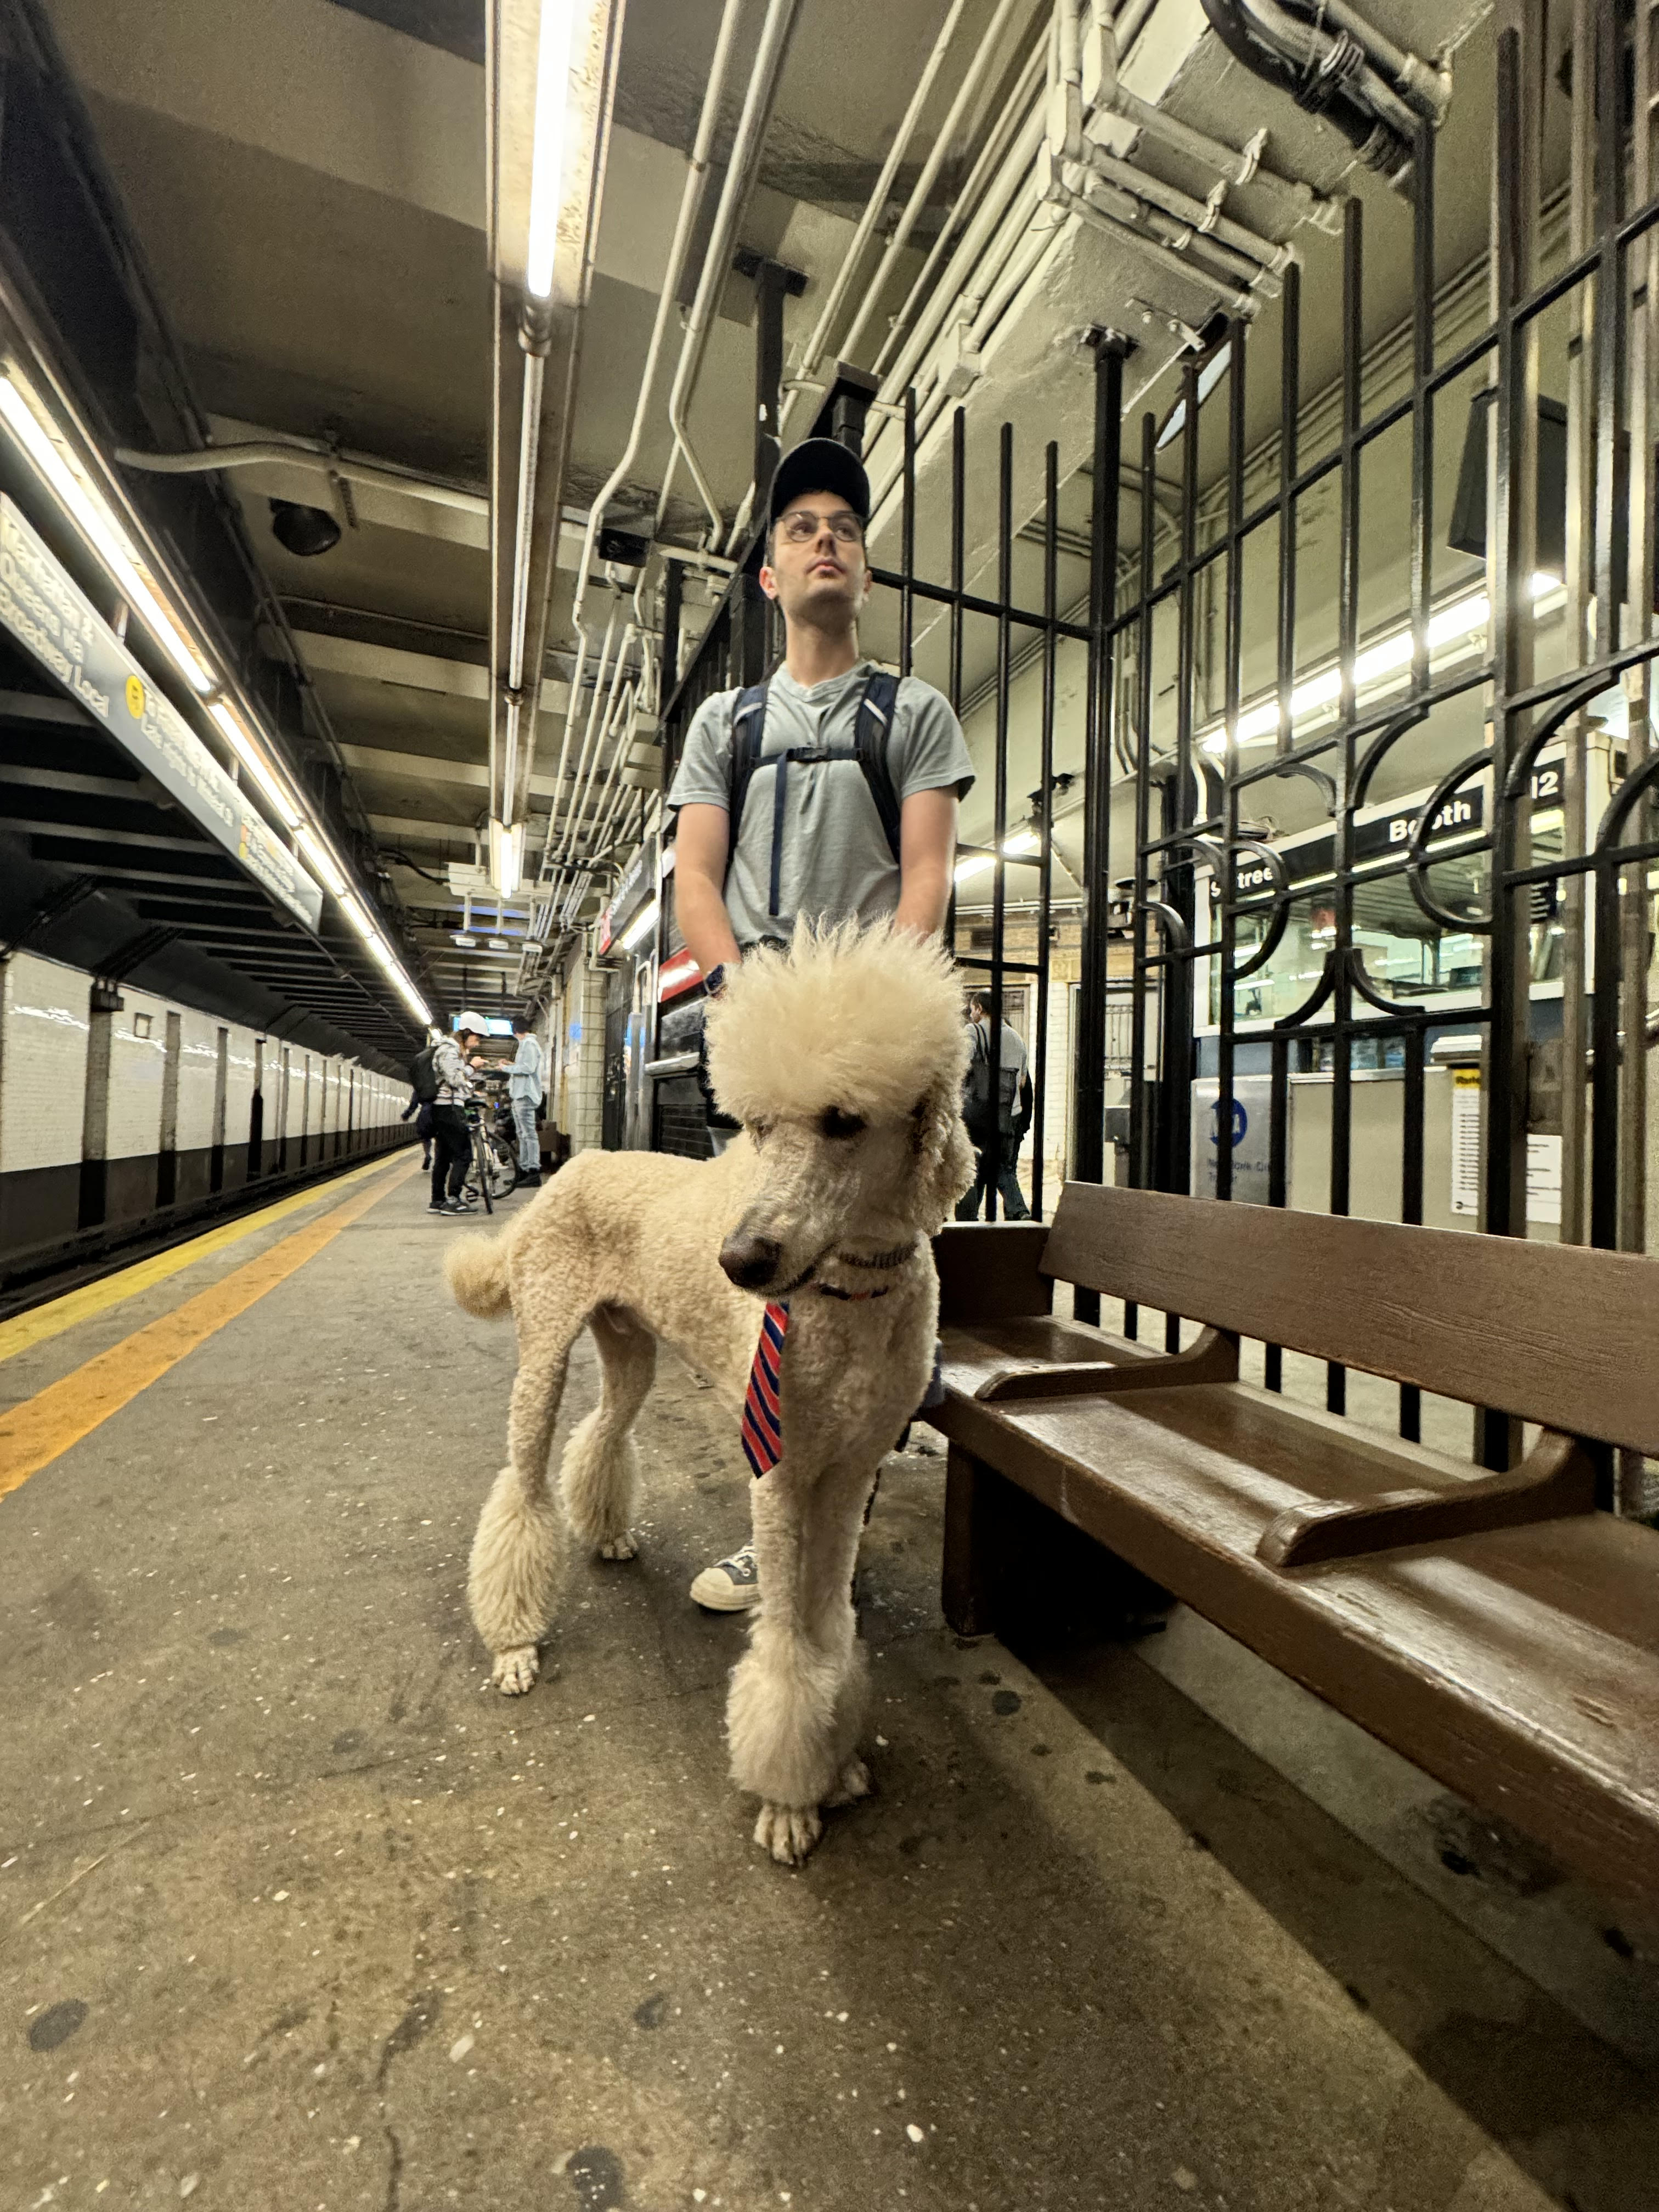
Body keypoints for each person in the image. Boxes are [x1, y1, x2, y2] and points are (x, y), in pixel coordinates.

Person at [667, 433, 974, 1609]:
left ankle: (896, 1413)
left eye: (843, 525)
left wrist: (879, 1013)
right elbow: (699, 880)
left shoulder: (915, 711)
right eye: (801, 528)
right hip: (764, 1039)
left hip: (872, 1035)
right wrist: (742, 998)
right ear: (771, 578)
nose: (825, 538)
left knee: (892, 1233)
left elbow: (927, 874)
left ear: (863, 567)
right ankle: (779, 1509)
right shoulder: (726, 727)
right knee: (776, 1259)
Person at [957, 989, 1033, 1222]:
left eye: (972, 1010)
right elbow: (1021, 1082)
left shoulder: (973, 1031)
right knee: (1004, 1168)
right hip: (1008, 1117)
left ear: (979, 1008)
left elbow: (959, 1067)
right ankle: (1017, 1211)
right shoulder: (1016, 1038)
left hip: (978, 1116)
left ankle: (967, 1220)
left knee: (972, 1171)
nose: (971, 1015)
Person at [429, 1012, 488, 1215]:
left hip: (443, 1109)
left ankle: (437, 1201)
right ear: (466, 1033)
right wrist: (472, 1067)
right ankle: (453, 1200)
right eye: (477, 1038)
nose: (477, 1043)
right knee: (463, 1153)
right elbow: (454, 1079)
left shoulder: (449, 1050)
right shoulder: (450, 1050)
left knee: (444, 1157)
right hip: (448, 1109)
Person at [507, 1013, 545, 1188]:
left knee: (529, 1134)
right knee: (523, 1135)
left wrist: (506, 1067)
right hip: (519, 1095)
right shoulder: (525, 1044)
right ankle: (523, 1171)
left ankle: (533, 1171)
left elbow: (528, 1068)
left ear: (515, 1030)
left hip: (526, 1096)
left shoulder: (529, 1044)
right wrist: (510, 1064)